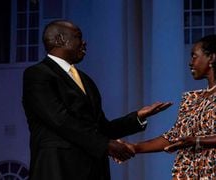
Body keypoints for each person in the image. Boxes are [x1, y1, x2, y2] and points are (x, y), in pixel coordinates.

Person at [22, 19, 172, 180]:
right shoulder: (38, 74)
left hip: (93, 170)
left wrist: (137, 117)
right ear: (59, 40)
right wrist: (105, 145)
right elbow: (60, 120)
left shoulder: (85, 80)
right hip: (58, 169)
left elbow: (100, 127)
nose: (84, 42)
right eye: (78, 37)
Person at [120, 34, 216, 179]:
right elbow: (174, 136)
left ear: (211, 58)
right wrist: (135, 147)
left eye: (194, 56)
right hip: (194, 171)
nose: (190, 63)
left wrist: (196, 141)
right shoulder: (192, 99)